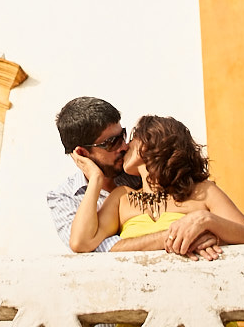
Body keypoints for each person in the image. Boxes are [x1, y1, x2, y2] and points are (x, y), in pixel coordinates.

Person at [47, 97, 225, 259]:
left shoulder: (143, 177)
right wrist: (177, 236)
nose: (124, 146)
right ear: (82, 153)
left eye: (122, 136)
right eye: (111, 143)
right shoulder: (64, 198)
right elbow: (86, 249)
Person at [69, 114, 244, 258]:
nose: (125, 147)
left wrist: (207, 220)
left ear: (147, 145)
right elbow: (81, 242)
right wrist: (95, 177)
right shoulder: (122, 198)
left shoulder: (203, 191)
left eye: (132, 139)